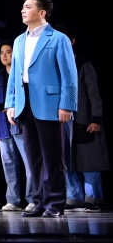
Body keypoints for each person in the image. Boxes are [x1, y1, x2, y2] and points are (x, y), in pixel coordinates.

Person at [4, 0, 77, 218]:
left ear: (42, 12)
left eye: (28, 7)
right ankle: (38, 201)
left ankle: (55, 203)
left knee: (53, 157)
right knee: (33, 157)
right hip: (25, 102)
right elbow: (14, 75)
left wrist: (67, 105)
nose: (23, 10)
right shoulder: (19, 40)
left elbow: (69, 75)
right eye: (23, 7)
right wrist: (10, 103)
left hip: (50, 103)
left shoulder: (58, 38)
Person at [57, 24, 107, 212]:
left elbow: (94, 94)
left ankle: (93, 198)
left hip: (84, 120)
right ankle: (74, 197)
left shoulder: (84, 64)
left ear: (72, 41)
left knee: (89, 161)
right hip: (63, 122)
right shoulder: (55, 66)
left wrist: (96, 119)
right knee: (68, 161)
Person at [0, 42, 36, 212]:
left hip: (20, 123)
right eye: (1, 52)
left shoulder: (23, 75)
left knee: (29, 163)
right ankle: (13, 200)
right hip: (2, 126)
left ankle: (33, 199)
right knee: (8, 163)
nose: (4, 55)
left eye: (8, 52)